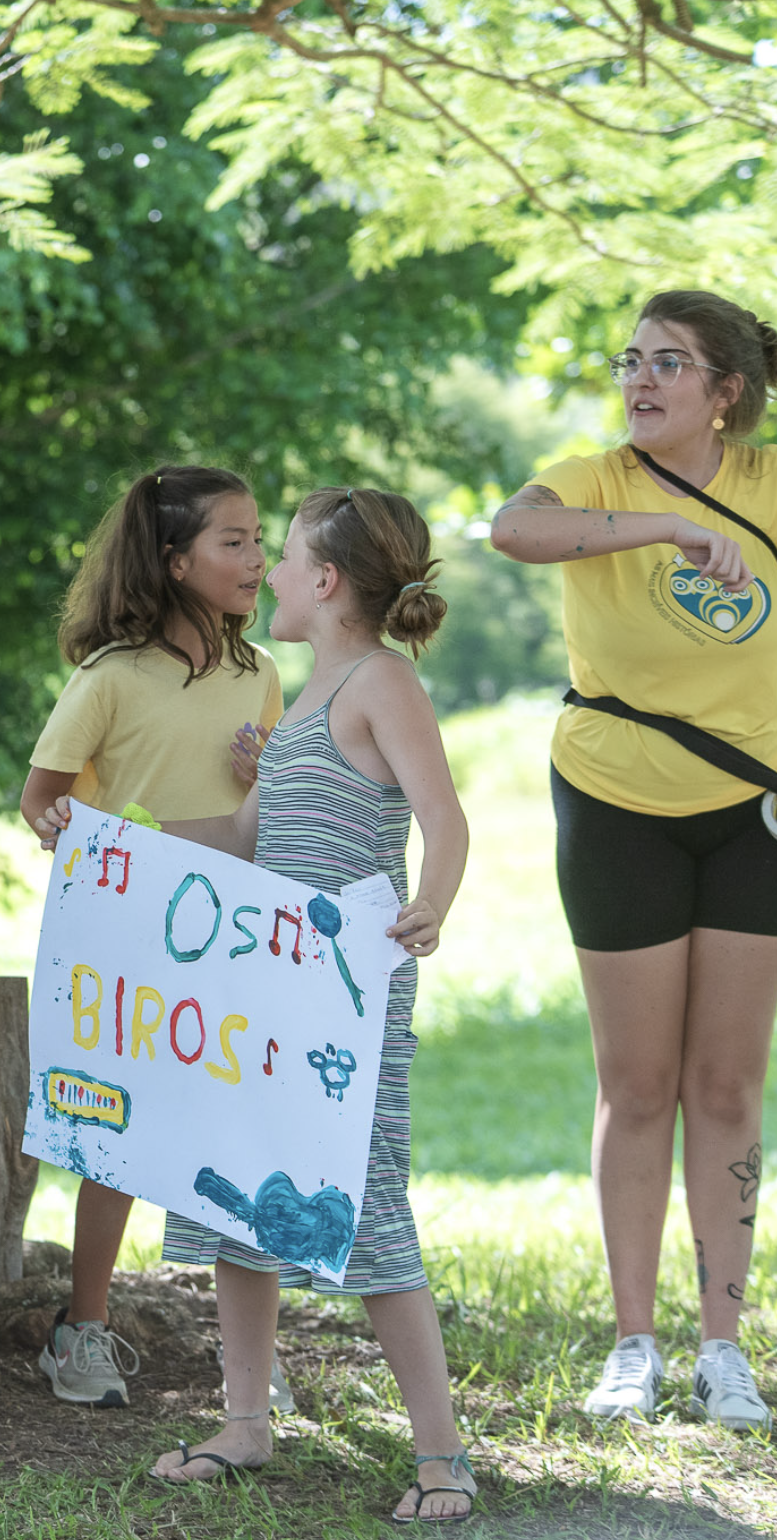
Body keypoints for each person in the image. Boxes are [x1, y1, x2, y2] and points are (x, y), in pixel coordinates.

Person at [134, 488, 473, 1523]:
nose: (268, 573)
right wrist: (110, 844)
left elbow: (444, 818)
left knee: (363, 1203)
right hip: (269, 996)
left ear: (323, 581)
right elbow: (239, 842)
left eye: (283, 557)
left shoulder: (381, 682)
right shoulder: (304, 699)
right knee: (243, 1199)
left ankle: (442, 1454)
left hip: (347, 1002)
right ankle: (243, 1422)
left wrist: (430, 903)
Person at [489, 289, 776, 1433]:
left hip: (752, 812)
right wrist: (660, 526)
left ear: (725, 392)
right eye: (629, 359)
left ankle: (722, 1346)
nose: (638, 380)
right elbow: (511, 530)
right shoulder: (589, 479)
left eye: (668, 362)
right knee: (636, 1083)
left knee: (726, 1084)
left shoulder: (765, 481)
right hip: (614, 802)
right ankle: (631, 1344)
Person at [20, 464, 283, 1409]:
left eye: (260, 540)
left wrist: (268, 776)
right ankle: (81, 1329)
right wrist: (65, 826)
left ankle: (249, 1358)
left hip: (235, 943)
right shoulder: (110, 678)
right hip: (133, 943)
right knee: (121, 1136)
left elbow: (264, 814)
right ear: (175, 562)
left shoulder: (263, 676)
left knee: (237, 1134)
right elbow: (42, 801)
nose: (258, 559)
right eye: (234, 542)